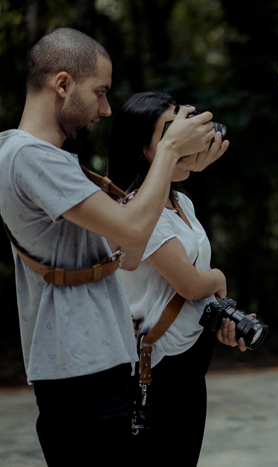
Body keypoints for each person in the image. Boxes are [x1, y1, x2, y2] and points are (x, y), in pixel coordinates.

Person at [0, 28, 227, 466]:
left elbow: (129, 252)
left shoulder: (44, 159)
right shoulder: (31, 156)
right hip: (78, 369)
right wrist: (168, 152)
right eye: (100, 92)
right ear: (62, 84)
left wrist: (176, 165)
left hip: (96, 364)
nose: (106, 109)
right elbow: (133, 232)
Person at [106, 92, 247, 466]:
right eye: (170, 132)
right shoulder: (136, 211)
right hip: (158, 366)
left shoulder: (182, 202)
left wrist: (221, 317)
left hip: (191, 359)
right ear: (143, 150)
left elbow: (191, 291)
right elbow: (189, 283)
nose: (184, 137)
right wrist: (218, 277)